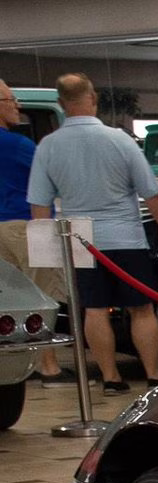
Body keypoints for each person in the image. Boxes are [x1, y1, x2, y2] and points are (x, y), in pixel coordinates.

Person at [27, 73, 158, 393]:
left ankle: (111, 378)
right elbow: (151, 191)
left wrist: (47, 249)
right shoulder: (120, 139)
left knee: (94, 310)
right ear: (92, 98)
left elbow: (39, 205)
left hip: (81, 240)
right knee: (141, 308)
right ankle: (152, 375)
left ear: (60, 103)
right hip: (126, 238)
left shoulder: (48, 146)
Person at [0, 80, 64, 381]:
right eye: (11, 100)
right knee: (41, 296)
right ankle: (48, 366)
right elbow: (52, 179)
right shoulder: (19, 145)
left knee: (10, 304)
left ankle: (17, 366)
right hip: (24, 227)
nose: (17, 106)